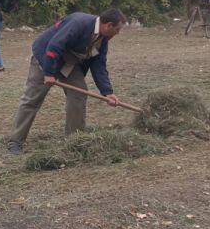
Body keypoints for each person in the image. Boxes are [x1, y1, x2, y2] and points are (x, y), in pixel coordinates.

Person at [7, 8, 127, 155]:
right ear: (108, 25)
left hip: (68, 63)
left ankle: (74, 141)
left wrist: (107, 92)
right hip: (45, 58)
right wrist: (49, 73)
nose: (118, 33)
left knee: (79, 93)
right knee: (32, 99)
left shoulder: (103, 40)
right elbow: (54, 46)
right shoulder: (79, 23)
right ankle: (15, 141)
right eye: (117, 29)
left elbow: (99, 65)